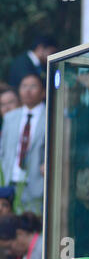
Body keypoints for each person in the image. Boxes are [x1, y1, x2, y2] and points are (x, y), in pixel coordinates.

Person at [0, 74, 46, 216]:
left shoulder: (52, 116)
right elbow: (3, 151)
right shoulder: (10, 117)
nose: (28, 90)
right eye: (24, 86)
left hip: (37, 185)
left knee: (32, 228)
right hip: (9, 184)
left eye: (33, 86)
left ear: (43, 91)